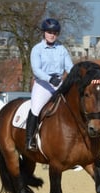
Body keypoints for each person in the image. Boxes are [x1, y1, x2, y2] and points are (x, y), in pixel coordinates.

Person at [26, 18, 74, 151]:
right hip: (43, 84)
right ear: (44, 33)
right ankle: (30, 139)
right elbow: (36, 70)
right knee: (36, 108)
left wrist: (74, 75)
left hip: (59, 82)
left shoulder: (62, 49)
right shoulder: (37, 49)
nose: (52, 35)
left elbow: (69, 67)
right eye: (49, 32)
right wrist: (49, 79)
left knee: (74, 104)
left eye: (55, 32)